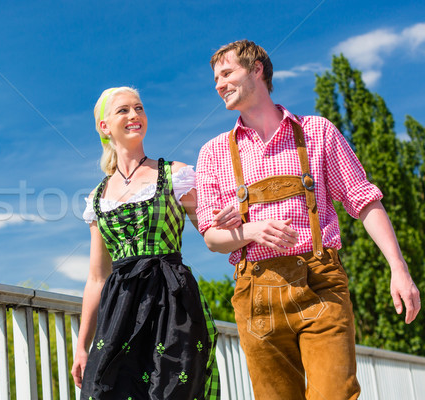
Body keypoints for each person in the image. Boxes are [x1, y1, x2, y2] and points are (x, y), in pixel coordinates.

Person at [195, 39, 421, 400]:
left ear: (257, 70)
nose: (218, 84)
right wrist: (251, 229)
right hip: (256, 293)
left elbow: (363, 200)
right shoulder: (214, 152)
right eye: (215, 78)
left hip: (321, 281)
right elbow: (210, 236)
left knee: (336, 393)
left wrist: (399, 268)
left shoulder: (317, 132)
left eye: (227, 73)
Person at [71, 87, 231, 399]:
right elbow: (96, 278)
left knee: (172, 390)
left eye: (139, 108)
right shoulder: (97, 198)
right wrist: (82, 345)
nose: (135, 116)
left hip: (173, 303)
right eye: (123, 110)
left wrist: (242, 227)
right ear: (104, 126)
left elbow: (212, 238)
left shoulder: (176, 174)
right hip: (119, 312)